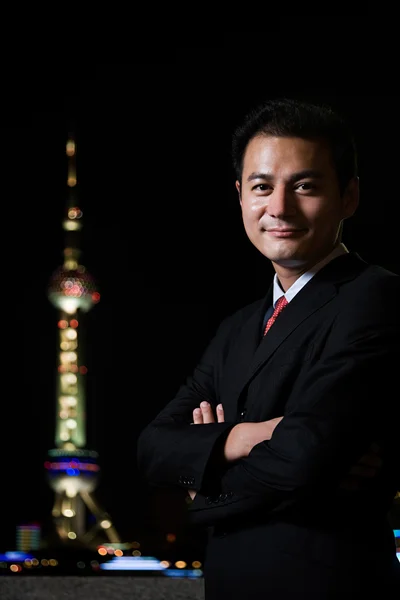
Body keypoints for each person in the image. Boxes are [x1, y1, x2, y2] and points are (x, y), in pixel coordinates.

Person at [137, 97, 400, 598]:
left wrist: (201, 484)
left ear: (349, 197)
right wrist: (247, 436)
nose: (279, 207)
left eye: (304, 186)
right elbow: (152, 447)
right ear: (240, 196)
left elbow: (303, 459)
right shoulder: (237, 328)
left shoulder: (377, 298)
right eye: (262, 187)